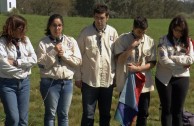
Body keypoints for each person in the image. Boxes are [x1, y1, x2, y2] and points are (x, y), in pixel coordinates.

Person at [74, 4, 118, 126]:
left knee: (105, 114)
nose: (99, 21)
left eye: (102, 18)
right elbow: (78, 56)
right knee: (88, 114)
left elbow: (116, 57)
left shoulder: (113, 33)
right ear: (93, 16)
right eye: (97, 17)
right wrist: (78, 77)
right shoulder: (85, 33)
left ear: (107, 17)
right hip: (89, 81)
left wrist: (116, 77)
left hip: (107, 81)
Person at [36, 14, 82, 126]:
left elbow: (78, 61)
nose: (57, 28)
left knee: (64, 115)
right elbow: (41, 64)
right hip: (50, 83)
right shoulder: (43, 43)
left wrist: (64, 55)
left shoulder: (71, 41)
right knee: (50, 114)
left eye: (60, 25)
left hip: (67, 83)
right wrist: (53, 52)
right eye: (54, 25)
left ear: (62, 26)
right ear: (49, 27)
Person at [114, 16, 156, 126]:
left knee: (143, 114)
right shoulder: (122, 39)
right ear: (133, 27)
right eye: (139, 31)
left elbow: (152, 63)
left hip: (143, 85)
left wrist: (138, 69)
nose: (141, 34)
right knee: (127, 115)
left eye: (144, 32)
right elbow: (119, 60)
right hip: (127, 84)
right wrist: (130, 47)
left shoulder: (150, 41)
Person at [155, 15, 194, 126]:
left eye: (181, 31)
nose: (179, 33)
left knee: (178, 111)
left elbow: (190, 59)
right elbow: (163, 60)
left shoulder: (188, 42)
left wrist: (174, 58)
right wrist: (181, 64)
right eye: (176, 30)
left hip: (182, 78)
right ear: (172, 28)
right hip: (164, 79)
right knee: (167, 109)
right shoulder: (163, 40)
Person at [0, 15, 37, 126]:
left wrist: (17, 63)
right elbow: (3, 66)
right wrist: (25, 69)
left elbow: (34, 59)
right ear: (12, 28)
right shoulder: (2, 43)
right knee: (13, 118)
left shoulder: (26, 40)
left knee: (23, 120)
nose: (24, 31)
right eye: (21, 28)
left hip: (24, 83)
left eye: (24, 28)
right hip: (7, 84)